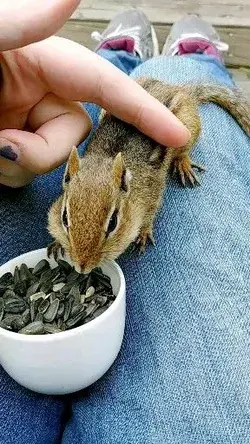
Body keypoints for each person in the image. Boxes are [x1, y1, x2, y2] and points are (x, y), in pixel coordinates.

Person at [1, 5, 250, 444]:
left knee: (178, 122)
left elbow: (150, 193)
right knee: (118, 90)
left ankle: (172, 60)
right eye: (63, 217)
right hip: (110, 129)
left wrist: (149, 216)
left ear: (121, 192)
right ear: (67, 179)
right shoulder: (72, 184)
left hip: (160, 116)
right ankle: (170, 55)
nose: (83, 263)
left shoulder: (134, 193)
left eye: (111, 226)